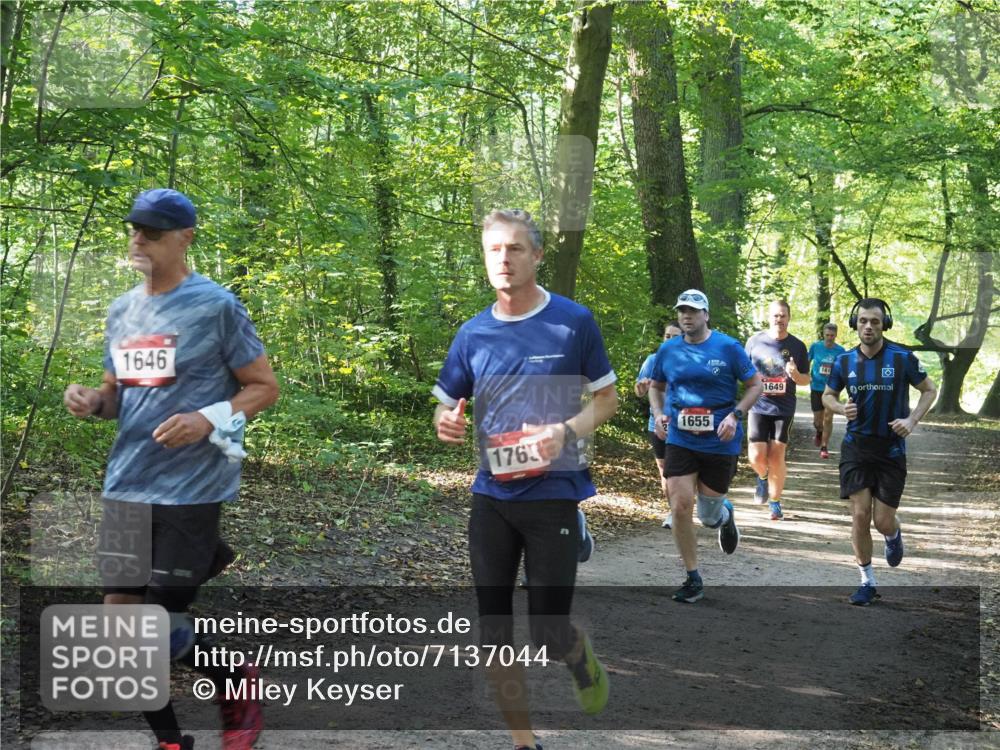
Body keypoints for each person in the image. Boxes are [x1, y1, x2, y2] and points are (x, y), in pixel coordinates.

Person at [64, 188, 280, 750]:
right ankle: (171, 740)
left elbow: (263, 388)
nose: (139, 239)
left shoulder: (216, 306)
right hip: (127, 481)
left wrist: (207, 418)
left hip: (191, 486)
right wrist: (93, 401)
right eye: (135, 229)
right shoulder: (122, 310)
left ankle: (236, 681)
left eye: (153, 232)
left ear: (185, 238)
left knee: (157, 623)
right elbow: (118, 397)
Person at [433, 209, 617, 750]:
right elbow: (446, 406)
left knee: (547, 632)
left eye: (515, 249)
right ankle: (524, 741)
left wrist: (566, 430)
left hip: (553, 494)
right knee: (493, 629)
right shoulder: (473, 333)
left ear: (537, 256)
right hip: (491, 496)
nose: (504, 259)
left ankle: (578, 656)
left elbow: (605, 398)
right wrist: (446, 422)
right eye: (494, 250)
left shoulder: (572, 322)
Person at [648, 290, 762, 603]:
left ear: (706, 315)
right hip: (681, 439)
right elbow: (656, 388)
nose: (687, 316)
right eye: (682, 310)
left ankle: (725, 516)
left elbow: (756, 385)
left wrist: (735, 416)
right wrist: (658, 414)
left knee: (708, 516)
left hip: (720, 441)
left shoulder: (727, 347)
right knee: (680, 504)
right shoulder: (668, 350)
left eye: (693, 311)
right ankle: (692, 577)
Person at [823, 298, 937, 606]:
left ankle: (893, 534)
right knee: (860, 515)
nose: (868, 327)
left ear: (883, 324)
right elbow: (827, 395)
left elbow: (930, 389)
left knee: (882, 521)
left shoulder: (903, 358)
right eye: (863, 321)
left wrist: (912, 420)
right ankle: (867, 582)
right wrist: (839, 407)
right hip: (856, 448)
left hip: (891, 450)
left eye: (874, 321)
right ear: (854, 323)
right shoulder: (844, 361)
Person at [744, 300, 810, 520]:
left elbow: (806, 380)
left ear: (789, 318)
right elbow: (742, 371)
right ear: (769, 317)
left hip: (784, 407)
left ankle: (775, 502)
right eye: (775, 315)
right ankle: (762, 476)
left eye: (783, 315)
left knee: (777, 455)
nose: (779, 319)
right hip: (758, 405)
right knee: (755, 456)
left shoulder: (798, 346)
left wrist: (795, 375)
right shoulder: (755, 342)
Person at [635, 322, 683, 528]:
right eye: (667, 336)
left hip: (683, 423)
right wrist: (642, 386)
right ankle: (674, 511)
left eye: (675, 336)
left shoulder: (690, 360)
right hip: (657, 423)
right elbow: (638, 391)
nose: (670, 340)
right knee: (665, 469)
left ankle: (685, 505)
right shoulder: (652, 360)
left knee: (681, 469)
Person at [808, 323, 846, 459]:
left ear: (836, 335)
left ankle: (824, 447)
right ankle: (819, 431)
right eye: (827, 335)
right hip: (817, 387)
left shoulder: (841, 351)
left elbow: (844, 369)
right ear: (823, 334)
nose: (829, 338)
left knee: (828, 418)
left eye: (832, 335)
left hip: (832, 388)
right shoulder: (815, 347)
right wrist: (807, 375)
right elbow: (807, 361)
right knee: (818, 421)